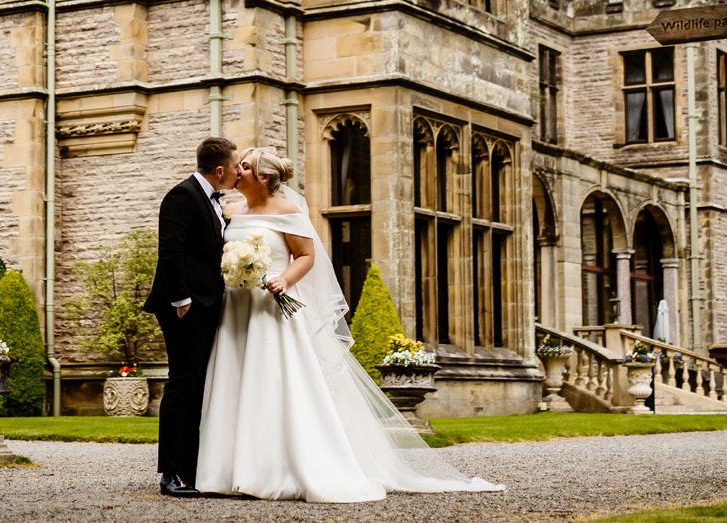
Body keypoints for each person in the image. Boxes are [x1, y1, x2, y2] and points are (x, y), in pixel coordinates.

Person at [194, 146, 502, 502]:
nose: (237, 171)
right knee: (235, 382)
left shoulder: (287, 211)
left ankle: (274, 470)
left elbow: (306, 255)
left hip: (271, 309)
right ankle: (227, 472)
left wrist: (284, 280)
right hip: (236, 310)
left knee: (275, 384)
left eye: (244, 167)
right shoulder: (235, 212)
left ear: (263, 177)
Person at [141, 135, 238, 497]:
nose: (239, 171)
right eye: (236, 165)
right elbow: (171, 250)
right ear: (220, 170)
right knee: (182, 385)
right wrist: (181, 300)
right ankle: (172, 473)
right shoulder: (182, 196)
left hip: (207, 304)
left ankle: (191, 468)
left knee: (197, 385)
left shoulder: (213, 200)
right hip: (184, 307)